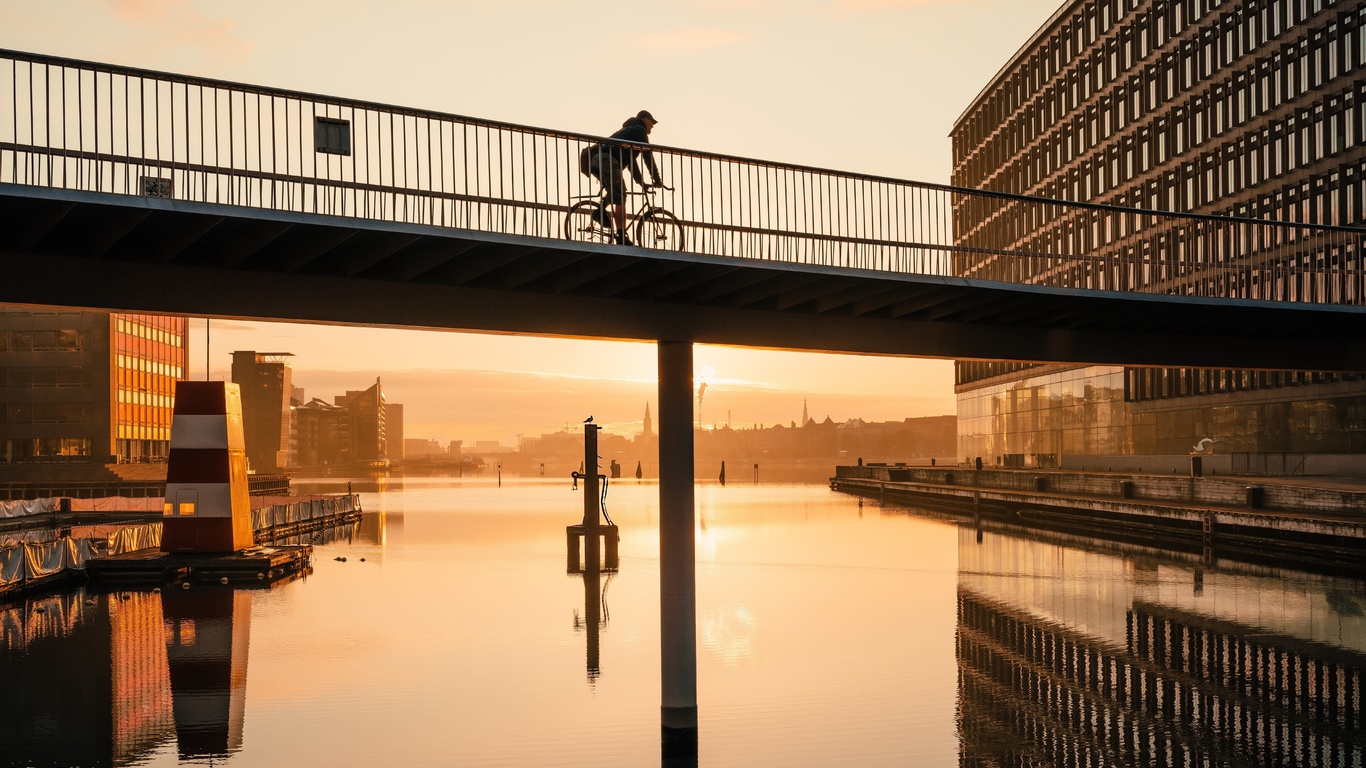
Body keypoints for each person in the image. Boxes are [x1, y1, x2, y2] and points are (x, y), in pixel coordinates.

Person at [585, 110, 663, 245]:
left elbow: (631, 163)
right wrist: (657, 179)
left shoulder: (630, 131)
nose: (653, 126)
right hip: (606, 159)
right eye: (652, 122)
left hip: (597, 160)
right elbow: (647, 156)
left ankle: (599, 212)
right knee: (621, 195)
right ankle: (621, 237)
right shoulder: (639, 130)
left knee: (616, 191)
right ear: (645, 119)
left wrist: (641, 182)